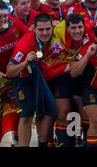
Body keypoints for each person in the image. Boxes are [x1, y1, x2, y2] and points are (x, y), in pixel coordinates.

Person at [40, 13, 90, 147]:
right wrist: (63, 68)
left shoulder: (89, 34)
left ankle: (86, 142)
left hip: (82, 77)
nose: (77, 31)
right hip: (61, 78)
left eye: (80, 27)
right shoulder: (56, 38)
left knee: (86, 110)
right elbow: (47, 66)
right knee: (62, 112)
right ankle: (64, 143)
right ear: (67, 29)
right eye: (73, 28)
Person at [7, 13, 55, 147]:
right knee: (27, 115)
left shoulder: (56, 35)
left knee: (47, 112)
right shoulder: (25, 45)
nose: (45, 33)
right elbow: (10, 71)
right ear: (34, 29)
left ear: (53, 27)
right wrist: (24, 62)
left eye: (48, 29)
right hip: (24, 80)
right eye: (40, 30)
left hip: (42, 78)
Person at [0, 0, 28, 146]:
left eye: (5, 16)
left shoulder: (14, 24)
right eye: (0, 17)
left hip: (11, 79)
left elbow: (29, 35)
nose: (4, 20)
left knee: (12, 110)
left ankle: (9, 139)